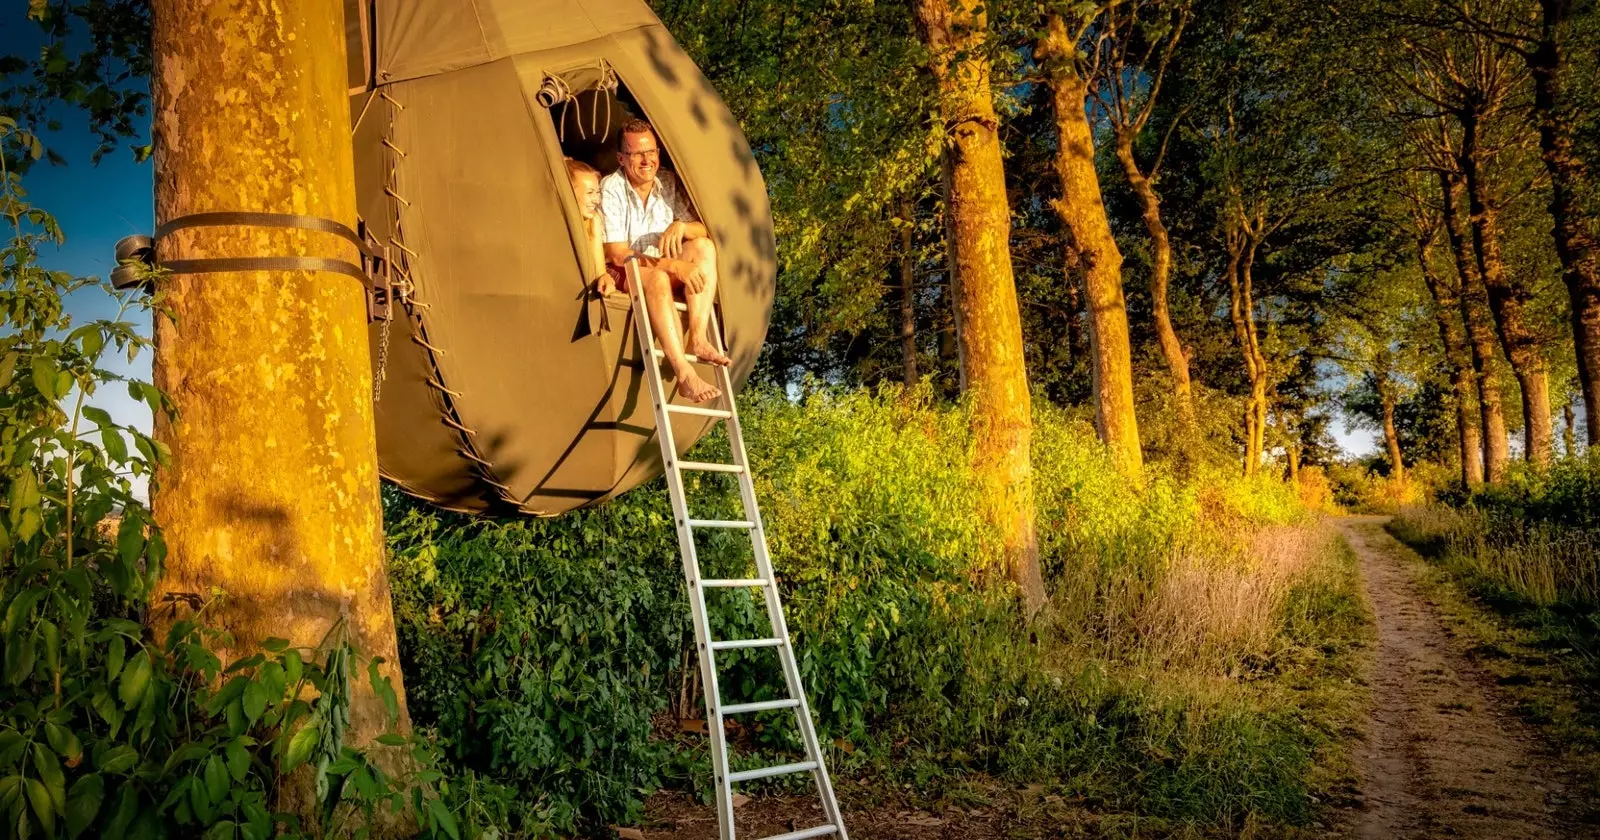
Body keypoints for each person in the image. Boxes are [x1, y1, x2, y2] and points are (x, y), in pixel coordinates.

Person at [597, 119, 729, 404]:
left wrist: (682, 226)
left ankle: (698, 337)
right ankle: (684, 373)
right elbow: (617, 253)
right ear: (621, 158)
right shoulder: (612, 187)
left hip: (663, 263)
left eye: (652, 152)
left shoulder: (667, 182)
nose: (647, 161)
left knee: (703, 246)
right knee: (656, 277)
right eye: (637, 154)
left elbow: (703, 230)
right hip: (628, 269)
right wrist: (671, 266)